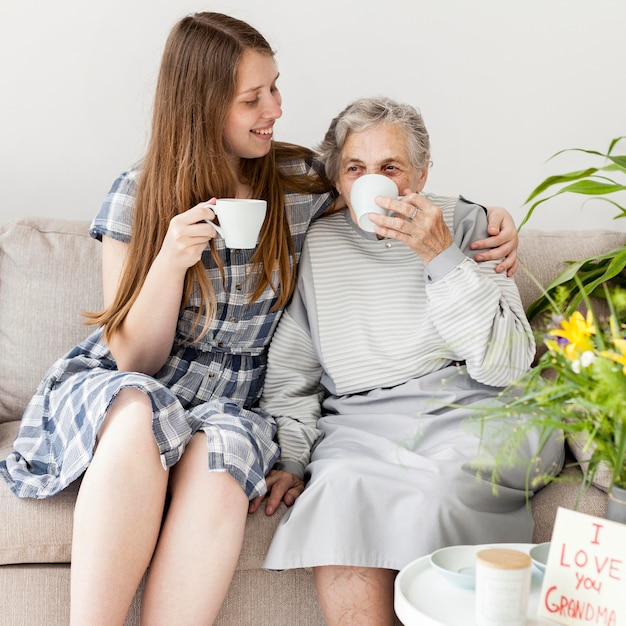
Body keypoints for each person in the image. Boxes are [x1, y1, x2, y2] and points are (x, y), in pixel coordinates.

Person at [0, 13, 518, 626]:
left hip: (234, 400)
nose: (275, 108)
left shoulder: (298, 182)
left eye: (274, 87)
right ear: (203, 106)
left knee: (223, 458)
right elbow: (132, 361)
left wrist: (491, 217)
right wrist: (168, 263)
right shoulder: (137, 196)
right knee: (137, 411)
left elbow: (385, 179)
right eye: (253, 98)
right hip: (140, 381)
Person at [252, 97, 565, 626]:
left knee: (438, 488)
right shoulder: (316, 241)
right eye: (356, 168)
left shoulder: (469, 226)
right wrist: (292, 457)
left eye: (390, 168)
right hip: (362, 421)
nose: (373, 181)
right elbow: (292, 378)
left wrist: (440, 256)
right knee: (340, 486)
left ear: (421, 172)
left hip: (478, 407)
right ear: (338, 178)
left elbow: (507, 365)